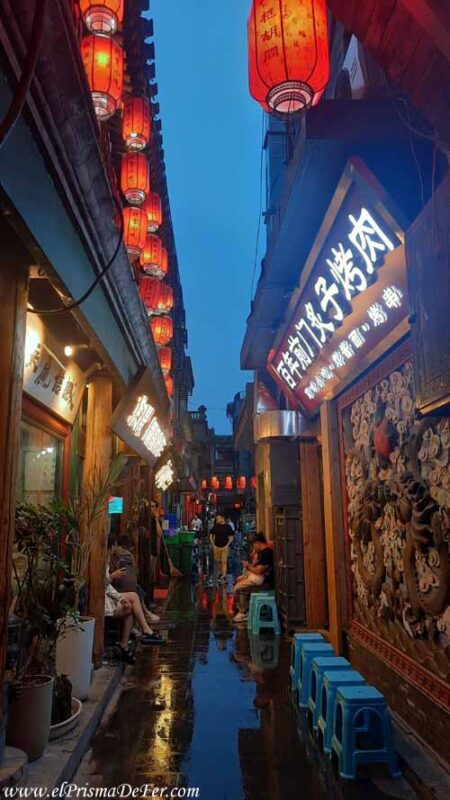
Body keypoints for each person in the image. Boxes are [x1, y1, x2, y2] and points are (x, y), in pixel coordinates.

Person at [105, 570, 163, 663]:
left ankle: (142, 631)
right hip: (103, 601)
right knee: (131, 606)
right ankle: (143, 631)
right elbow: (100, 586)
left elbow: (108, 588)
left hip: (109, 596)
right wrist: (111, 577)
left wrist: (122, 599)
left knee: (133, 596)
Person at [109, 535, 159, 623]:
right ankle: (145, 613)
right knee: (137, 589)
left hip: (118, 587)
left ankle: (145, 614)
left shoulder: (113, 556)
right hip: (120, 589)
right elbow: (135, 573)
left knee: (137, 589)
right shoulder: (129, 556)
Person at [233, 533, 274, 623]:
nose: (253, 548)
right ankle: (243, 611)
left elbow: (259, 571)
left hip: (266, 584)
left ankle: (244, 612)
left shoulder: (266, 553)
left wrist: (248, 567)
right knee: (239, 584)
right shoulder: (262, 553)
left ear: (258, 543)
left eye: (253, 545)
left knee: (240, 589)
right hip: (261, 581)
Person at [209, 512, 234, 583]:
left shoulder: (228, 527)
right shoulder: (216, 526)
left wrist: (227, 544)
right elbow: (211, 535)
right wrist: (213, 544)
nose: (217, 519)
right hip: (217, 547)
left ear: (223, 518)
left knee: (224, 561)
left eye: (218, 518)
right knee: (219, 561)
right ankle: (221, 573)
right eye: (217, 518)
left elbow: (231, 536)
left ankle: (224, 575)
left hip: (224, 547)